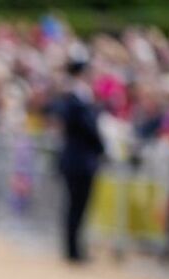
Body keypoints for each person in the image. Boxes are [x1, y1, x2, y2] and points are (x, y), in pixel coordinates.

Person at [55, 44, 105, 263]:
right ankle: (73, 250)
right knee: (76, 206)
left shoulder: (76, 97)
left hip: (78, 159)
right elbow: (88, 129)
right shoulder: (76, 99)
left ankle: (74, 248)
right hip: (79, 161)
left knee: (77, 207)